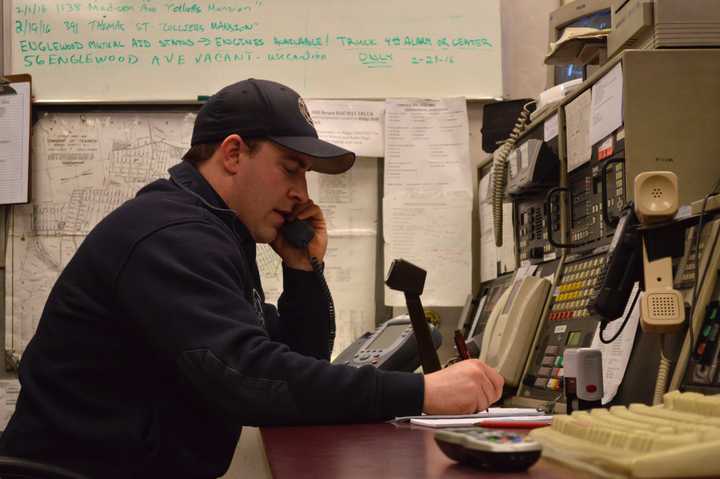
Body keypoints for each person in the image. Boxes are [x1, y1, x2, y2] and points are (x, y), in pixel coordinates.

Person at [0, 79, 503, 478]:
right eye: (290, 168)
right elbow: (249, 378)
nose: (301, 193)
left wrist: (303, 270)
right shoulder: (173, 235)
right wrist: (423, 394)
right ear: (234, 153)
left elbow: (288, 367)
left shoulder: (213, 233)